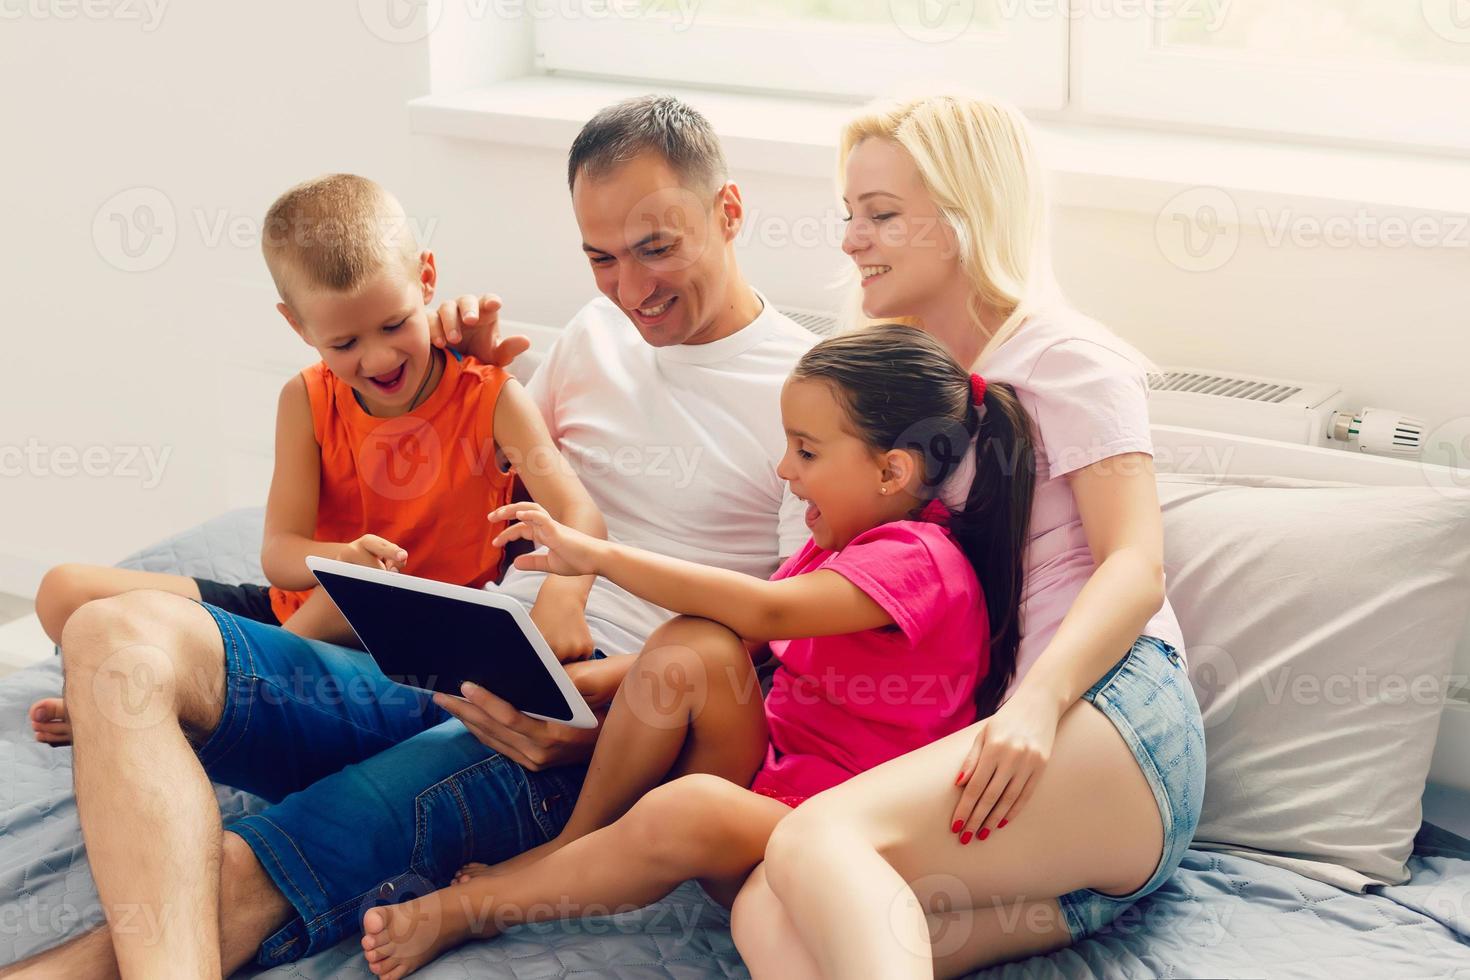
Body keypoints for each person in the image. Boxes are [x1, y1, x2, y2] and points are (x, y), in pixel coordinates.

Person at [0, 96, 814, 980]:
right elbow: (491, 457)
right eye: (601, 258)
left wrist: (601, 710)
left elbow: (791, 650)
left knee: (244, 867)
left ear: (728, 213)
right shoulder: (594, 335)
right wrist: (441, 348)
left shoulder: (806, 397)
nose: (632, 288)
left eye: (657, 248)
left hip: (556, 723)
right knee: (108, 632)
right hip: (442, 655)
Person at [355, 324, 1038, 979]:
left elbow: (765, 609)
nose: (784, 470)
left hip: (832, 835)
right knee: (689, 644)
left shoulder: (921, 560)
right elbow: (745, 640)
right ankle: (570, 847)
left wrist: (598, 555)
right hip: (771, 787)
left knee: (690, 807)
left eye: (805, 451)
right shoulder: (839, 544)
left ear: (892, 470)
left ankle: (474, 910)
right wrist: (595, 680)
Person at [730, 94, 1208, 979]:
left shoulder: (1069, 359)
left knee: (810, 840)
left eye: (879, 216)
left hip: (1108, 713)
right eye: (849, 216)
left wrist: (1037, 704)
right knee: (771, 901)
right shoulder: (889, 386)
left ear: (963, 219)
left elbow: (1136, 566)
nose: (849, 241)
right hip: (1030, 799)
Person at [26, 172, 603, 747]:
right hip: (295, 617)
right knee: (64, 592)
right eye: (344, 344)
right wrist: (340, 558)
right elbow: (280, 554)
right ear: (297, 325)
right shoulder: (304, 399)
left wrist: (562, 600)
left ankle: (184, 698)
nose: (377, 358)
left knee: (346, 601)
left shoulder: (493, 397)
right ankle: (195, 692)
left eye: (394, 324)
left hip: (411, 640)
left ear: (425, 279)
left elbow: (582, 516)